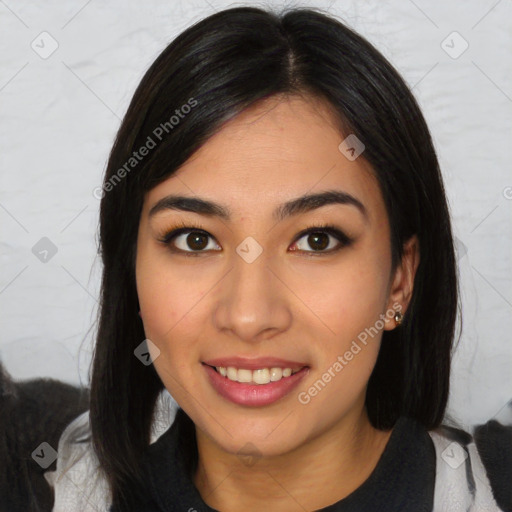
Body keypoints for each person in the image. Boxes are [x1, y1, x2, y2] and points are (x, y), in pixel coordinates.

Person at [48, 5, 511, 511]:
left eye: (317, 240)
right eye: (194, 240)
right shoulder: (40, 482)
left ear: (400, 279)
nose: (249, 316)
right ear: (131, 268)